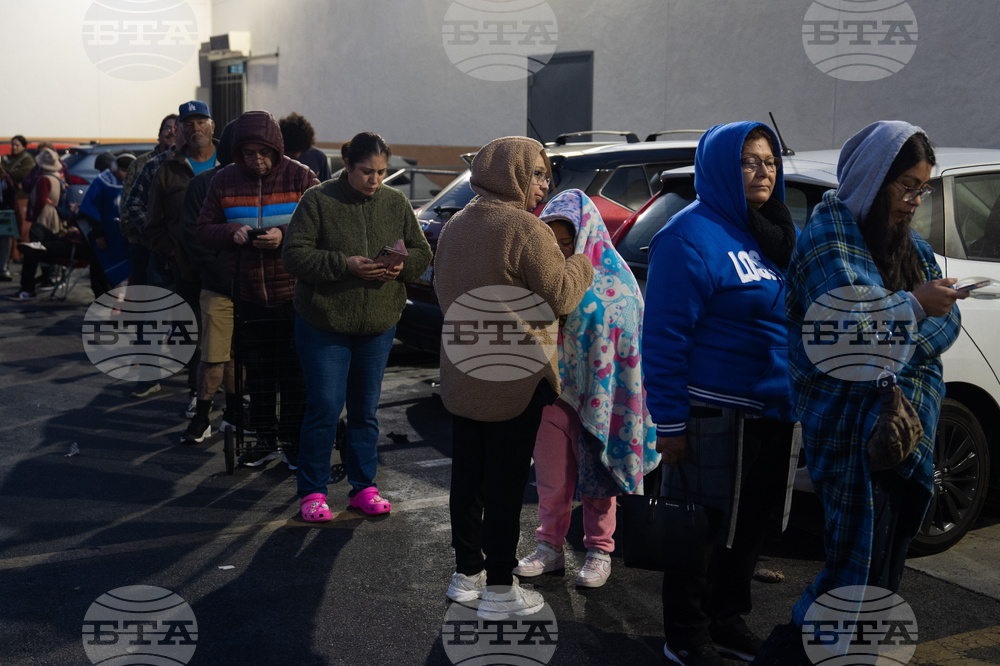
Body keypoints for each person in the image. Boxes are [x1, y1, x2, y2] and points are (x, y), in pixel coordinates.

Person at [753, 122, 965, 665]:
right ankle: (788, 657)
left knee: (886, 566)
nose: (915, 201)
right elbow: (844, 338)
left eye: (923, 188)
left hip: (904, 430)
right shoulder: (828, 237)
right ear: (875, 181)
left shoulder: (910, 245)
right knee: (852, 570)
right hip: (848, 435)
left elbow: (950, 321)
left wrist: (903, 326)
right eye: (907, 187)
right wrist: (914, 307)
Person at [642, 122, 799, 666]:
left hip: (772, 408)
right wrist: (670, 423)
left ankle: (727, 620)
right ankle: (685, 635)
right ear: (720, 167)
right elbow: (662, 336)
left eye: (770, 161)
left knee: (748, 531)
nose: (763, 171)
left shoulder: (769, 232)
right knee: (700, 533)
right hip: (712, 412)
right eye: (748, 161)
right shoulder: (688, 235)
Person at [434, 136, 592, 619]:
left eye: (546, 175)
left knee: (468, 479)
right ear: (513, 172)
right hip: (516, 375)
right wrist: (583, 262)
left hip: (464, 368)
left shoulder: (457, 224)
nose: (544, 184)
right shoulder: (526, 229)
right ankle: (501, 589)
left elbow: (442, 290)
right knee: (505, 484)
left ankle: (467, 576)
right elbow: (562, 295)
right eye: (538, 173)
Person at [514, 189, 659, 589]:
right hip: (550, 396)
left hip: (603, 395)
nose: (559, 251)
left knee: (600, 478)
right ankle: (549, 547)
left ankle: (599, 550)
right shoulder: (536, 279)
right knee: (551, 479)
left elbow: (626, 334)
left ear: (586, 237)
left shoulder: (619, 280)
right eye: (552, 242)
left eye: (567, 242)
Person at [282, 131, 431, 515]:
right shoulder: (318, 200)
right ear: (346, 166)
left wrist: (400, 267)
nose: (375, 181)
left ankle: (364, 486)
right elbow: (294, 256)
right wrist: (343, 264)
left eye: (382, 172)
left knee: (365, 411)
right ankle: (312, 492)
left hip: (378, 326)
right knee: (325, 408)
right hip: (323, 324)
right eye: (367, 172)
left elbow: (421, 252)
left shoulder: (395, 202)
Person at [198, 110, 319, 458]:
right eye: (249, 153)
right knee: (260, 375)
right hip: (249, 294)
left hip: (296, 296)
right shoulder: (223, 180)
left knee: (294, 372)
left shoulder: (301, 177)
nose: (257, 160)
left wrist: (285, 235)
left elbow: (324, 226)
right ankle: (265, 438)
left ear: (277, 149)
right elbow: (203, 228)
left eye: (264, 152)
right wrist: (230, 232)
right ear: (238, 152)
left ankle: (293, 440)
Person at [146, 100, 219, 419]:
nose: (195, 128)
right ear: (180, 130)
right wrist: (174, 252)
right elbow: (152, 224)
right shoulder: (167, 169)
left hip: (227, 265)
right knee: (195, 333)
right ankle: (197, 393)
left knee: (230, 330)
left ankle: (234, 394)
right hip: (188, 268)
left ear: (212, 125)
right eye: (188, 124)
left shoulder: (229, 162)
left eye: (200, 121)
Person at [179, 120, 239, 445]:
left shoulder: (257, 184)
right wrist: (223, 274)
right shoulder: (204, 183)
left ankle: (233, 415)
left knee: (237, 355)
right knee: (214, 354)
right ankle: (202, 416)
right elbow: (193, 235)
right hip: (217, 285)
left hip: (253, 288)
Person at [7, 148, 89, 302]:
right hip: (57, 217)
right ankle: (48, 277)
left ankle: (31, 286)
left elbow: (39, 201)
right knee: (45, 244)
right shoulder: (59, 178)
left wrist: (33, 216)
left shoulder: (44, 179)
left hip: (45, 215)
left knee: (36, 244)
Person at [120, 113, 178, 288]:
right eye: (167, 128)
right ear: (159, 134)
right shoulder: (141, 164)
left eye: (177, 128)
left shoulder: (183, 162)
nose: (172, 132)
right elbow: (127, 206)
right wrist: (149, 233)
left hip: (174, 245)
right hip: (142, 243)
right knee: (143, 297)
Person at [76, 153, 135, 291]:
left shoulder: (135, 181)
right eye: (123, 170)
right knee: (100, 266)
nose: (125, 174)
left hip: (123, 236)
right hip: (105, 234)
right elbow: (90, 208)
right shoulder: (102, 181)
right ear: (114, 168)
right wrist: (98, 234)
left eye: (128, 171)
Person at [3, 135, 35, 260]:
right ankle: (12, 254)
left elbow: (23, 173)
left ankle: (22, 254)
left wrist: (7, 172)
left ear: (23, 146)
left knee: (22, 227)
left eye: (17, 145)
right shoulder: (7, 158)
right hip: (10, 197)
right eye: (12, 144)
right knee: (10, 226)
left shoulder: (27, 160)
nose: (14, 147)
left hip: (22, 198)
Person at [279, 112, 332, 182]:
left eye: (299, 150)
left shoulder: (319, 157)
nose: (296, 155)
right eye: (291, 151)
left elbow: (326, 187)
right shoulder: (276, 158)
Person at [0, 162, 15, 281]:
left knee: (5, 239)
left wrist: (10, 209)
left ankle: (3, 267)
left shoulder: (5, 177)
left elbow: (11, 194)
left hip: (4, 211)